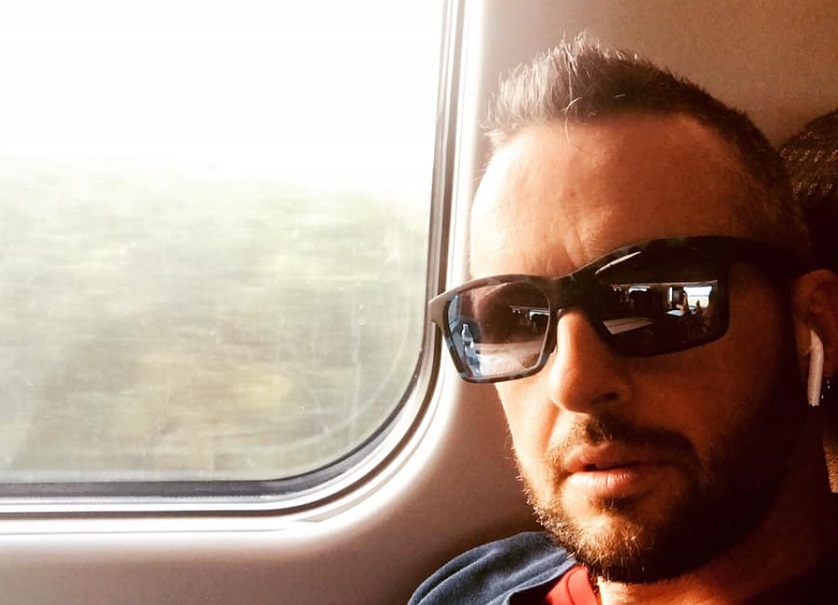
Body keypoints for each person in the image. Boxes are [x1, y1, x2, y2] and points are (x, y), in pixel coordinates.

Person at [412, 37, 838, 605]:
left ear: (814, 327)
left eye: (653, 301)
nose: (573, 384)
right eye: (516, 319)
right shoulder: (465, 586)